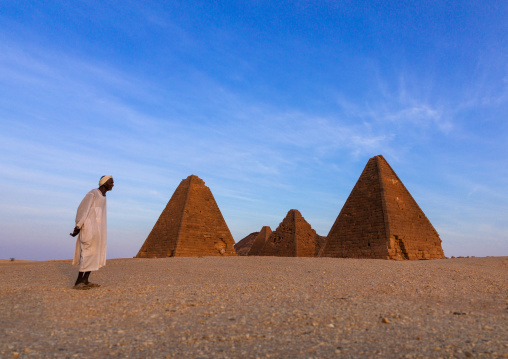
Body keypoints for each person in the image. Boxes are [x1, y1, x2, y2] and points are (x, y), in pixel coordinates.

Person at [70, 175, 114, 290]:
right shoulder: (93, 193)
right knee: (87, 253)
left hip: (98, 230)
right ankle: (78, 282)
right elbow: (82, 209)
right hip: (89, 228)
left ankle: (85, 280)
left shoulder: (104, 196)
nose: (113, 184)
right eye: (111, 182)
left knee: (95, 254)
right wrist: (78, 226)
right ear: (104, 182)